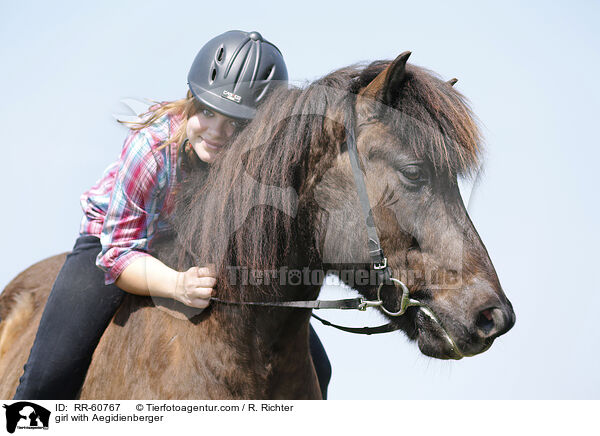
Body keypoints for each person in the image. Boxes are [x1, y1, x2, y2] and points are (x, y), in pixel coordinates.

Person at [14, 30, 331, 400]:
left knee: (318, 368)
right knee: (45, 379)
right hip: (115, 243)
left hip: (189, 246)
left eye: (236, 123)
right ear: (190, 100)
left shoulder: (254, 165)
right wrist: (177, 285)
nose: (216, 132)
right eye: (208, 112)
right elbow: (117, 255)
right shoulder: (150, 148)